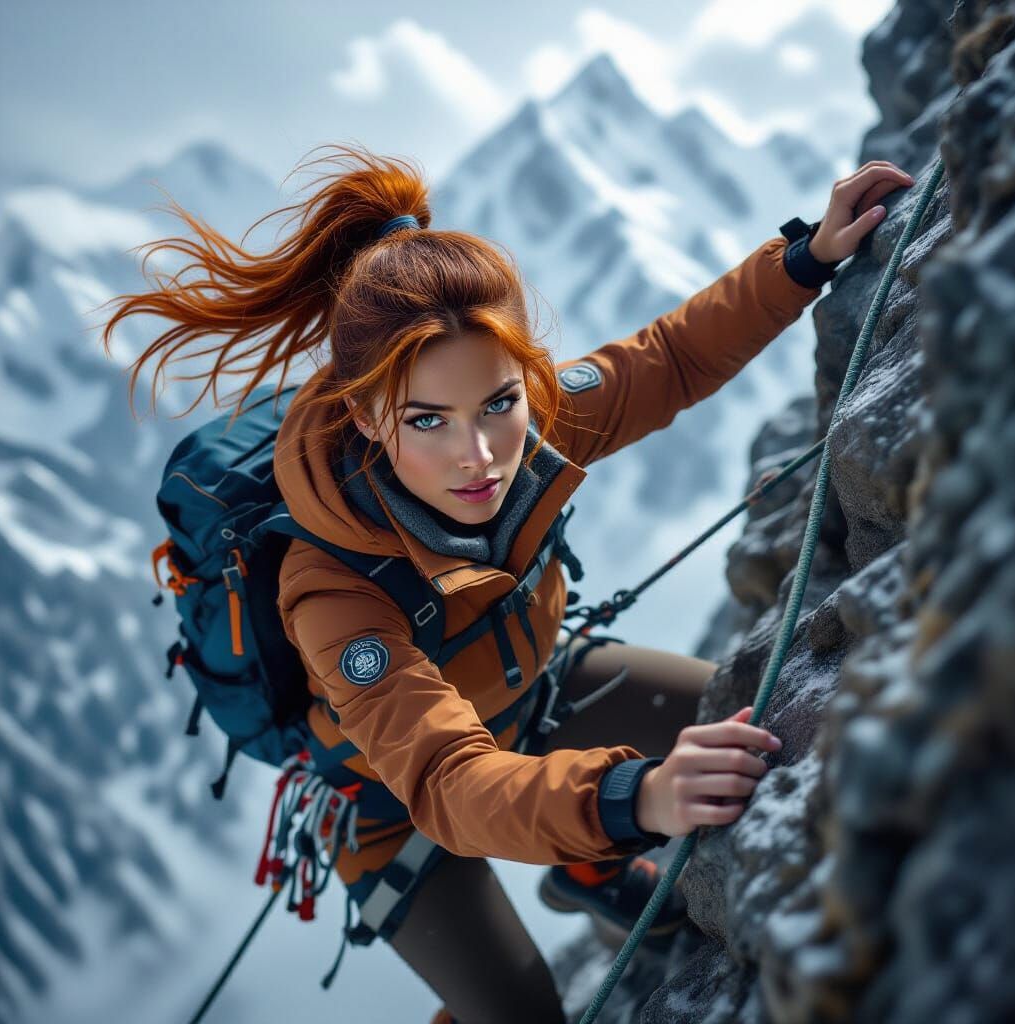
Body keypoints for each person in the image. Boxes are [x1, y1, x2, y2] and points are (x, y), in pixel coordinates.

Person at [102, 142, 916, 1024]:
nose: (481, 456)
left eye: (498, 402)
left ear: (523, 376)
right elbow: (449, 781)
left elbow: (668, 358)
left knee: (781, 724)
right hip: (393, 807)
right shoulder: (329, 587)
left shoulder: (532, 421)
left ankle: (585, 863)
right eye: (428, 422)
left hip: (536, 691)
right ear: (367, 417)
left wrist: (803, 257)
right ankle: (590, 846)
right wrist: (633, 797)